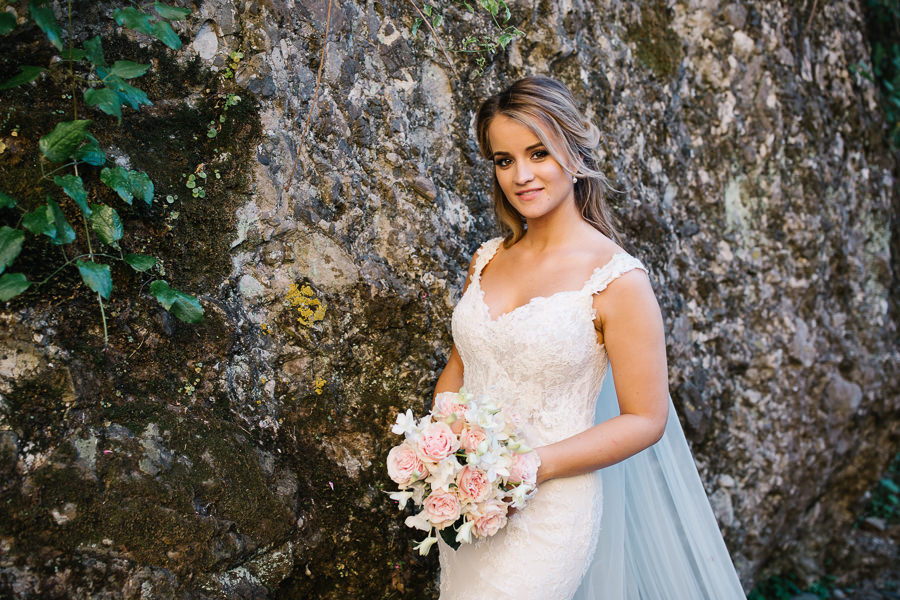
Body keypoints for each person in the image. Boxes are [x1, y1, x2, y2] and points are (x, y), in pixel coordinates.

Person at [432, 76, 746, 599]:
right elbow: (462, 368)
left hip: (549, 509)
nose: (521, 175)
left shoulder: (617, 282)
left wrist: (528, 467)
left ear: (573, 155)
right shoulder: (486, 260)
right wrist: (442, 455)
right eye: (504, 160)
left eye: (538, 153)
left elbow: (646, 419)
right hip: (470, 501)